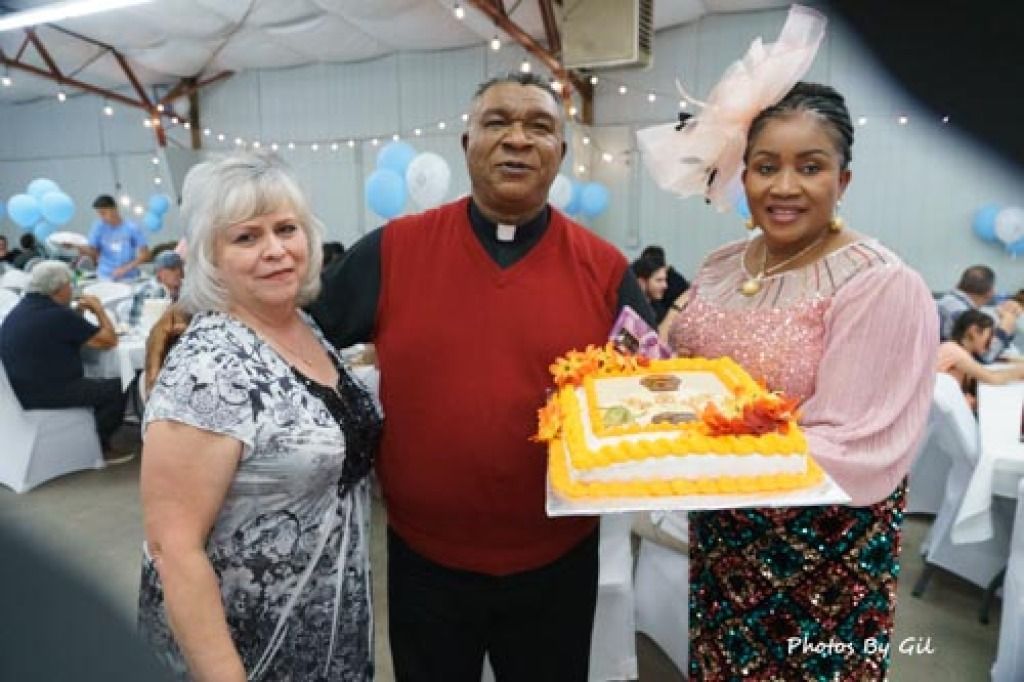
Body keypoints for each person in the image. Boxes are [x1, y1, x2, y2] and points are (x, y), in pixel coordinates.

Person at [144, 72, 654, 680]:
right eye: (497, 123)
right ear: (467, 145)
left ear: (561, 154)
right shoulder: (393, 250)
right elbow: (284, 324)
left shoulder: (604, 269)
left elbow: (644, 393)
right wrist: (187, 313)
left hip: (557, 561)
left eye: (539, 126)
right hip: (425, 564)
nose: (517, 139)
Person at [656, 82, 937, 678]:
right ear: (744, 177)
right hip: (721, 543)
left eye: (810, 167)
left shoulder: (879, 284)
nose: (783, 187)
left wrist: (694, 451)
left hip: (821, 563)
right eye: (765, 167)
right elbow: (687, 375)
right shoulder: (723, 264)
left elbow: (858, 444)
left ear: (844, 181)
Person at [138, 152, 382, 681]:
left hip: (327, 634)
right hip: (246, 650)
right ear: (211, 256)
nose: (275, 250)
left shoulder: (301, 326)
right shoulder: (208, 368)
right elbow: (172, 548)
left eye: (286, 229)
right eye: (246, 238)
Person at [0, 260, 132, 463]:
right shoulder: (57, 315)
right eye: (70, 285)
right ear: (58, 289)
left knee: (97, 382)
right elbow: (109, 340)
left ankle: (84, 436)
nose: (72, 289)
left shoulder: (21, 310)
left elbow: (63, 336)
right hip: (46, 393)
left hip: (16, 392)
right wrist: (98, 309)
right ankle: (98, 446)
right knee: (120, 386)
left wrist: (77, 314)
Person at [936, 309, 1024, 410]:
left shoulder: (963, 353)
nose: (992, 341)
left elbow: (1001, 360)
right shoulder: (953, 351)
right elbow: (992, 377)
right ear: (973, 331)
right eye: (990, 335)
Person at [937, 265, 1020, 362]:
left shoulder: (945, 301)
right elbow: (985, 357)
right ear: (990, 293)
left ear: (958, 284)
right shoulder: (963, 314)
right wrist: (1005, 327)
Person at [71, 195, 150, 281]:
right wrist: (76, 245)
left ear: (115, 210)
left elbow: (145, 254)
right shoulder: (98, 227)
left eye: (104, 213)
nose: (102, 217)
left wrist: (126, 268)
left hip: (128, 277)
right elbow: (93, 251)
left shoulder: (132, 228)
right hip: (104, 275)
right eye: (99, 214)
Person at [639, 245, 689, 324]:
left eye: (665, 280)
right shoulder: (633, 308)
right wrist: (676, 307)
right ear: (642, 282)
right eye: (659, 280)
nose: (665, 286)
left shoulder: (657, 306)